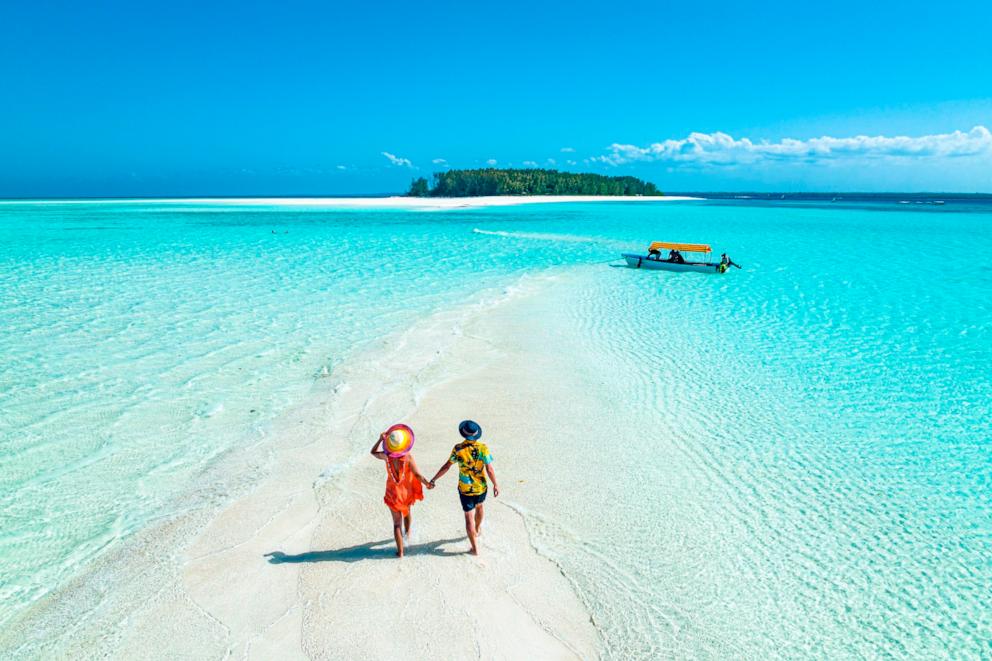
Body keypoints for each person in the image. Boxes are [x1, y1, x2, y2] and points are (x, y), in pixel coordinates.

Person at [429, 420, 500, 556]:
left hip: (465, 489)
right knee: (480, 507)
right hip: (481, 487)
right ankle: (477, 529)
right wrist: (495, 484)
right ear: (476, 434)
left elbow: (446, 466)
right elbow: (489, 469)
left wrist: (434, 479)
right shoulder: (483, 448)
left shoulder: (458, 449)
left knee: (468, 516)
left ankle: (475, 549)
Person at [370, 425, 433, 558]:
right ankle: (408, 535)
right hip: (406, 492)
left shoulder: (386, 456)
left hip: (392, 493)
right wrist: (427, 483)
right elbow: (417, 475)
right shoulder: (408, 457)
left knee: (396, 524)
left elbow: (373, 452)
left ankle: (401, 552)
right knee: (407, 512)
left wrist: (379, 440)